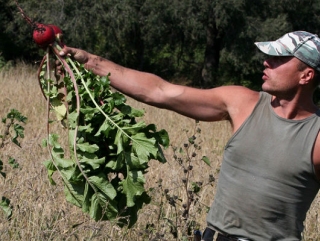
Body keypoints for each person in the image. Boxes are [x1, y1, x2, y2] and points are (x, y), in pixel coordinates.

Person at [57, 31, 320, 241]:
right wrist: (90, 61)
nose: (266, 62)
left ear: (306, 75)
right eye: (269, 56)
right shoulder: (243, 103)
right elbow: (160, 92)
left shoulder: (316, 136)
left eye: (278, 59)